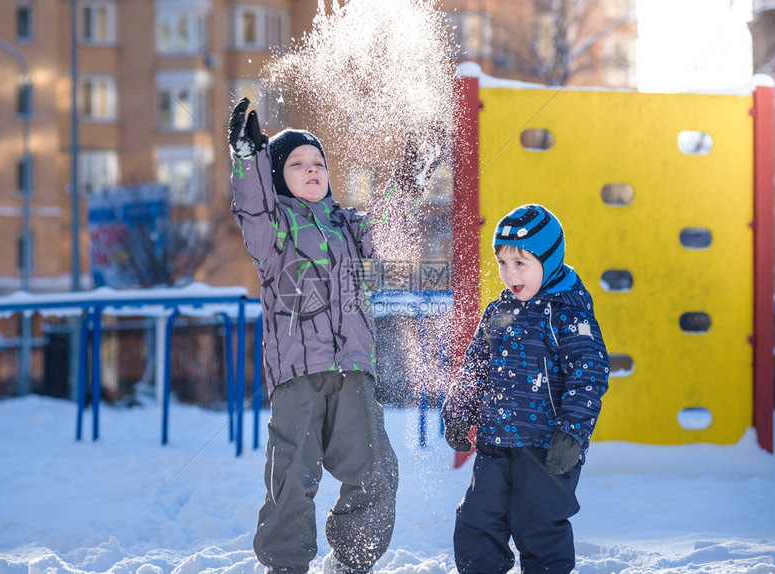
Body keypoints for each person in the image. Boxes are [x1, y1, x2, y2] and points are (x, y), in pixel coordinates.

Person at [227, 97, 440, 574]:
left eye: (319, 162)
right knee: (293, 477)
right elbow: (253, 209)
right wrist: (248, 159)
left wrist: (411, 175)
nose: (311, 170)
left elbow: (387, 224)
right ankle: (284, 564)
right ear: (278, 177)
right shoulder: (274, 230)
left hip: (353, 373)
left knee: (377, 470)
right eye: (297, 164)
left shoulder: (348, 225)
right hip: (298, 376)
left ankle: (352, 558)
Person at [441, 203, 610, 574]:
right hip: (494, 444)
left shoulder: (569, 312)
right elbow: (475, 368)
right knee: (476, 523)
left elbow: (589, 374)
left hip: (546, 450)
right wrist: (458, 411)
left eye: (521, 263)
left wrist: (572, 432)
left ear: (548, 261)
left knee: (539, 527)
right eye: (502, 262)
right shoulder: (497, 311)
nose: (509, 273)